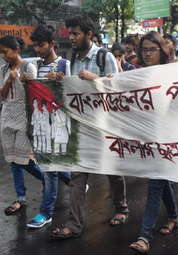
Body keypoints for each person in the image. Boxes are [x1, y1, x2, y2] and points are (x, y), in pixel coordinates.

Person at [51, 15, 128, 239]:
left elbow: (118, 92)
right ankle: (74, 225)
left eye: (75, 33)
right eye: (70, 33)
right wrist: (62, 80)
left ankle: (122, 209)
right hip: (82, 126)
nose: (71, 38)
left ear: (89, 35)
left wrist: (97, 79)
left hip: (105, 126)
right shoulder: (73, 58)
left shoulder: (105, 57)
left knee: (111, 171)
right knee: (77, 176)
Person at [129, 31, 178, 254]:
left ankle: (145, 235)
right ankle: (174, 216)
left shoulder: (173, 73)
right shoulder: (137, 75)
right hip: (148, 137)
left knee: (155, 183)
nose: (148, 54)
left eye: (153, 49)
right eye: (144, 50)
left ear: (163, 50)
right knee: (161, 180)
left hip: (168, 138)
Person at [18, 25, 73, 228]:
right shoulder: (37, 65)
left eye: (41, 45)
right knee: (51, 166)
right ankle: (77, 183)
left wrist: (62, 80)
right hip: (41, 123)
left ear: (51, 44)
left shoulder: (64, 64)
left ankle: (46, 212)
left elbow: (72, 92)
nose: (38, 49)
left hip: (58, 123)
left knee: (50, 169)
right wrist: (26, 81)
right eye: (35, 46)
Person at [0, 35, 45, 215]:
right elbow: (1, 96)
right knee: (13, 161)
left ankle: (47, 179)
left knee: (23, 159)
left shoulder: (29, 67)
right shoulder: (3, 70)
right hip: (7, 117)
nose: (3, 56)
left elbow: (35, 96)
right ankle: (21, 198)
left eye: (5, 52)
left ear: (16, 49)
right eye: (1, 53)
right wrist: (9, 80)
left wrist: (24, 81)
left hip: (25, 118)